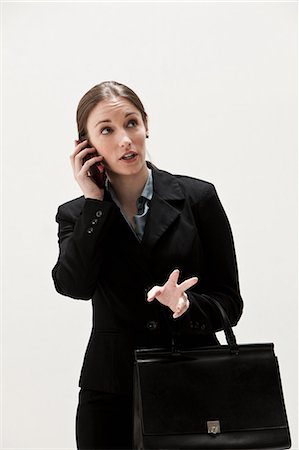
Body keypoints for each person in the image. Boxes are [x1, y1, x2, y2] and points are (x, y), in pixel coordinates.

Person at [52, 80, 243, 450]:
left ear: (146, 125)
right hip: (111, 392)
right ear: (85, 145)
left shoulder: (198, 198)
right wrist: (95, 202)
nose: (125, 139)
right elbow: (74, 285)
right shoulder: (77, 214)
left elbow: (230, 303)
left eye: (132, 123)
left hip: (193, 379)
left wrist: (186, 306)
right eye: (107, 130)